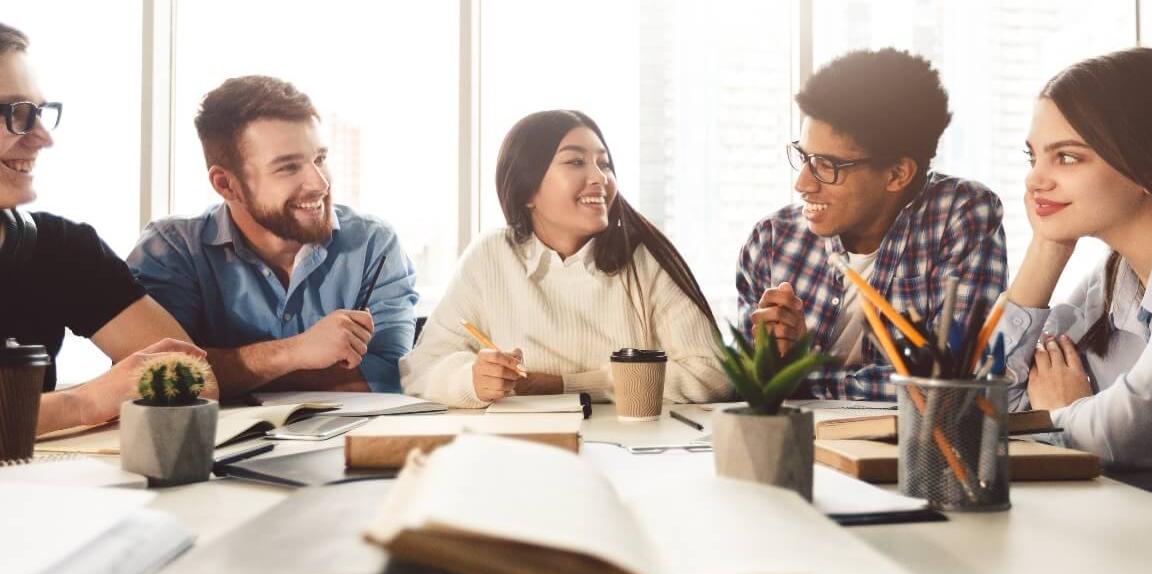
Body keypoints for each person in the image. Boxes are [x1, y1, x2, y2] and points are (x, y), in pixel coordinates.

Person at [401, 110, 731, 407]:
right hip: (523, 450)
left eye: (604, 164)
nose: (600, 177)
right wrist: (471, 379)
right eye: (576, 162)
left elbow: (713, 374)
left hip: (636, 452)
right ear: (527, 190)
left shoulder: (645, 259)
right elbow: (422, 368)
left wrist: (569, 385)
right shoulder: (491, 255)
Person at [736, 48, 1007, 400]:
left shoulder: (961, 216)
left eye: (826, 165)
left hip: (917, 449)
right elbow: (747, 384)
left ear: (897, 174)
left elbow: (954, 381)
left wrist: (801, 376)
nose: (802, 183)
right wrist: (777, 360)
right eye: (804, 157)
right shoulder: (772, 241)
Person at [128, 76, 418, 397]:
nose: (319, 183)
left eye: (319, 159)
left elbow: (391, 376)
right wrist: (294, 353)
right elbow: (152, 376)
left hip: (346, 444)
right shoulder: (171, 249)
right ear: (226, 184)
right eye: (288, 168)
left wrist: (223, 371)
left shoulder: (373, 245)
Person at [0, 22, 208, 435]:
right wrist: (83, 403)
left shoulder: (62, 249)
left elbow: (195, 376)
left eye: (40, 113)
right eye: (16, 114)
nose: (43, 138)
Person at [1002, 47, 1152, 472]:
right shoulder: (1111, 281)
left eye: (1067, 157)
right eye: (1033, 157)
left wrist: (1063, 412)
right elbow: (983, 405)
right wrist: (1048, 247)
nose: (1035, 179)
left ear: (1146, 163)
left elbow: (1129, 430)